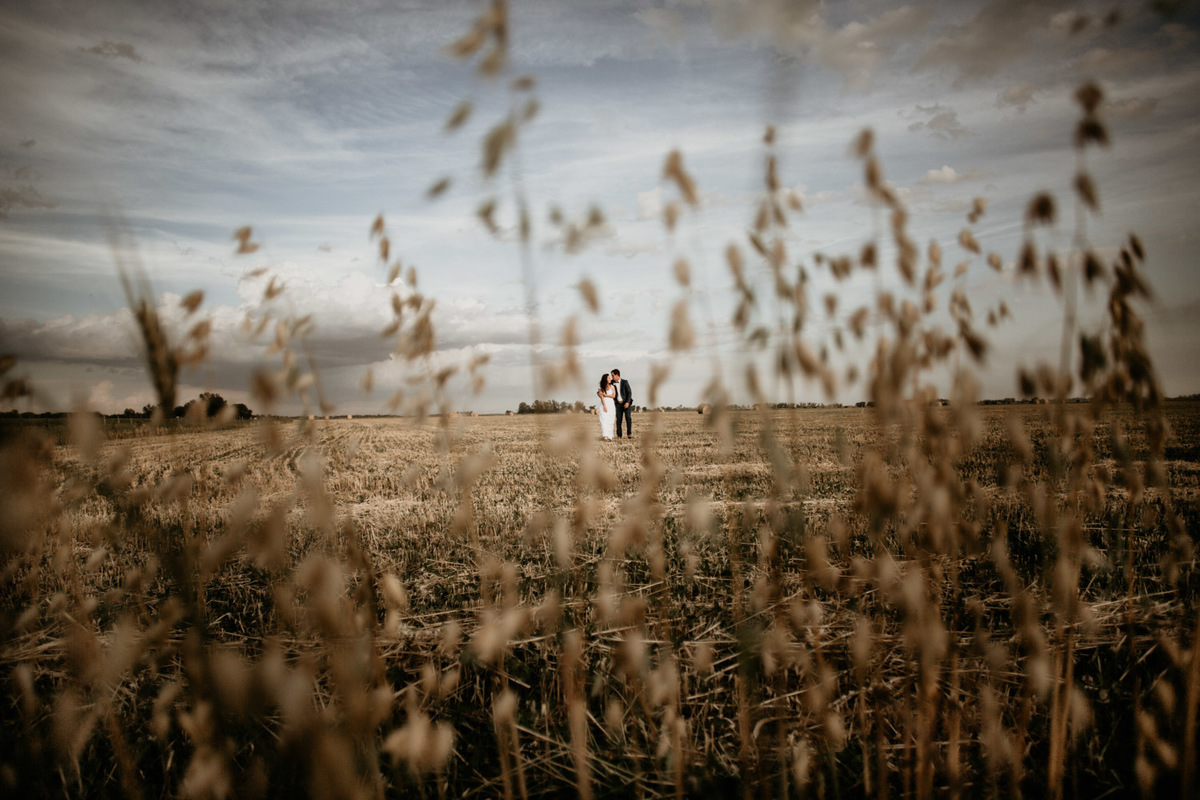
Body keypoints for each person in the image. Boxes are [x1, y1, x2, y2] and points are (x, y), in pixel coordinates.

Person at [610, 368, 632, 439]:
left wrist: (627, 402)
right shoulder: (612, 382)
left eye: (613, 375)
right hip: (618, 404)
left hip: (626, 403)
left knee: (628, 418)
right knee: (618, 420)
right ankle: (619, 435)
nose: (612, 377)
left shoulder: (625, 382)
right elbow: (605, 385)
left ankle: (629, 433)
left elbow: (629, 393)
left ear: (617, 375)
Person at [597, 373, 616, 440]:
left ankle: (610, 435)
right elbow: (601, 397)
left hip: (611, 404)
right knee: (604, 419)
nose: (610, 379)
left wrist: (606, 395)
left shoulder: (612, 387)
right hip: (604, 404)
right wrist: (604, 406)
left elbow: (614, 396)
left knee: (611, 419)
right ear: (605, 379)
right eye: (609, 378)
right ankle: (605, 435)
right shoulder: (601, 388)